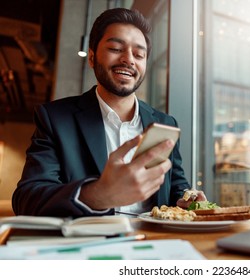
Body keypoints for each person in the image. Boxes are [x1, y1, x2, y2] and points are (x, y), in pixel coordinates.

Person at [12, 8, 206, 217]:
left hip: (155, 239)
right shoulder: (55, 119)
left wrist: (186, 198)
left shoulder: (165, 123)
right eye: (115, 48)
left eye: (139, 54)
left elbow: (176, 185)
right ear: (92, 57)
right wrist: (99, 195)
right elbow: (27, 198)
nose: (129, 59)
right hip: (92, 241)